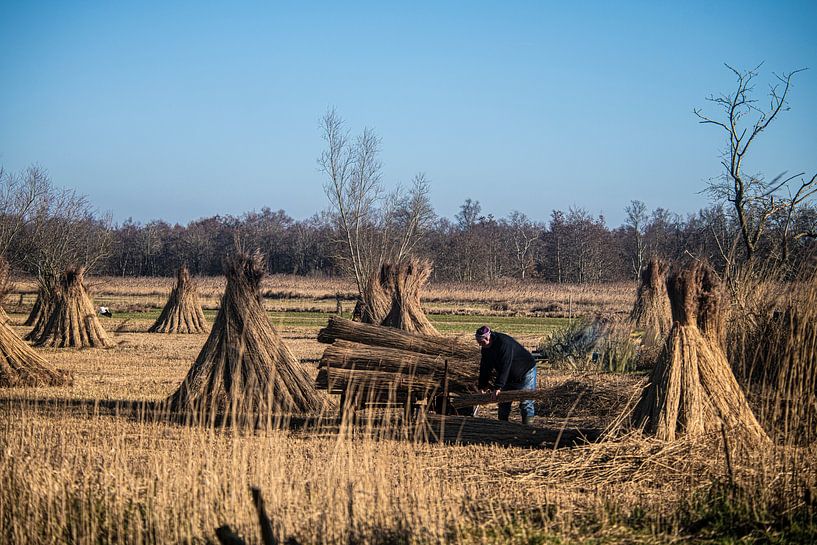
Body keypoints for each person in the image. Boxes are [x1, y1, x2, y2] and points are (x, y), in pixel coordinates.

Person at [475, 325, 537, 425]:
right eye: (478, 342)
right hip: (509, 376)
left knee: (526, 402)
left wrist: (498, 387)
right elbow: (485, 367)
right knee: (503, 402)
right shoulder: (485, 348)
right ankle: (503, 427)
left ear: (487, 338)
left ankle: (528, 429)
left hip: (526, 371)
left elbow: (505, 366)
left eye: (481, 342)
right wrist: (482, 386)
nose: (480, 345)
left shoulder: (504, 343)